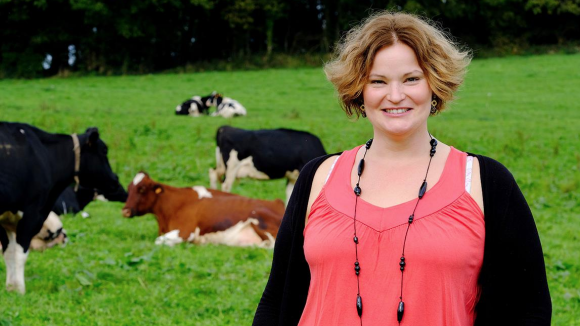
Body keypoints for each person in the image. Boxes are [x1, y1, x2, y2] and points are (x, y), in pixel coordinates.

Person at [253, 11, 551, 326]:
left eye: (411, 79)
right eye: (378, 81)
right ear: (359, 90)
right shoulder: (317, 177)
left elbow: (529, 310)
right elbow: (276, 300)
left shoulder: (485, 182)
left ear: (435, 83)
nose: (395, 96)